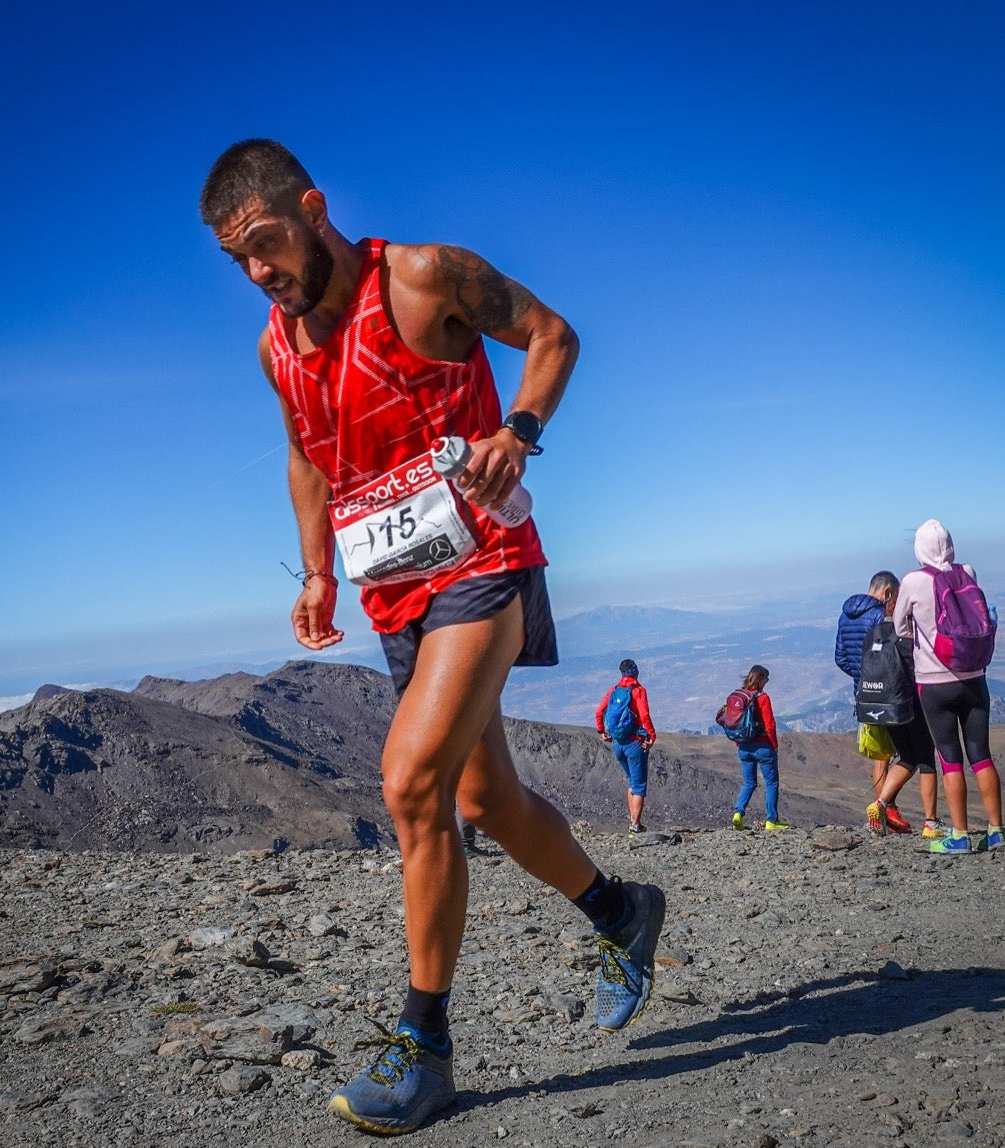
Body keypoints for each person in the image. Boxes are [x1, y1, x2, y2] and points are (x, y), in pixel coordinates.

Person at [200, 140, 665, 1135]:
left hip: (483, 561)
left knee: (409, 781)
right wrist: (318, 568)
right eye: (238, 260)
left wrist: (520, 430)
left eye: (267, 244)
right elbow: (306, 458)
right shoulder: (277, 348)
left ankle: (425, 1045)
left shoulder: (421, 277)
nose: (258, 273)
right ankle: (620, 912)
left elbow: (552, 335)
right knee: (484, 796)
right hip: (391, 594)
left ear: (313, 207)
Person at [884, 519, 1005, 854]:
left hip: (934, 682)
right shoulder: (968, 571)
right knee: (981, 755)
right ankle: (996, 831)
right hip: (974, 676)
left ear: (919, 549)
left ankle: (960, 835)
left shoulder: (913, 581)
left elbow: (900, 627)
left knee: (950, 759)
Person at [836, 572, 946, 838]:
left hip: (866, 696)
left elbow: (841, 657)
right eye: (895, 597)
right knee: (916, 756)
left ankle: (884, 809)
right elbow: (895, 657)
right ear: (887, 592)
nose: (896, 604)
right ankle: (908, 816)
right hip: (894, 695)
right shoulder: (880, 617)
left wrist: (865, 679)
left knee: (883, 754)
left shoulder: (844, 616)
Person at [595, 658, 657, 834]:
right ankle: (635, 827)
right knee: (639, 786)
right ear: (636, 672)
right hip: (634, 744)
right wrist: (652, 735)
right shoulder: (638, 691)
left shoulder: (614, 690)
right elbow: (644, 716)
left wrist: (601, 731)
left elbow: (599, 711)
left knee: (631, 782)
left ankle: (633, 822)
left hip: (618, 744)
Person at [729, 665, 788, 830]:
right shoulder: (763, 698)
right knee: (771, 783)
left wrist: (739, 743)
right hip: (763, 747)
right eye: (766, 679)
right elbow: (770, 725)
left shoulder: (741, 696)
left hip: (744, 747)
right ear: (760, 679)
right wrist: (774, 746)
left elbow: (735, 723)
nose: (767, 682)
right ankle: (771, 820)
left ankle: (738, 814)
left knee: (748, 783)